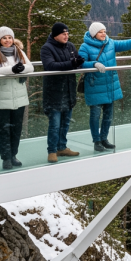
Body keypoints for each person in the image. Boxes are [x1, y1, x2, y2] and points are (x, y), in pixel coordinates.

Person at [79, 22, 131, 152]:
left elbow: (126, 44)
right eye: (100, 31)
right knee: (95, 115)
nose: (104, 34)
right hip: (94, 85)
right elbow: (80, 63)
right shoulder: (85, 46)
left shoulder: (110, 43)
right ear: (93, 34)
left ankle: (104, 139)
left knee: (108, 115)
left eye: (104, 31)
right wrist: (94, 64)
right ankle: (96, 141)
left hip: (110, 85)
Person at [0, 27, 34, 170]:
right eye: (4, 38)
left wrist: (19, 69)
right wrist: (13, 70)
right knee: (3, 129)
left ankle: (13, 155)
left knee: (16, 128)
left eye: (10, 37)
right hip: (1, 97)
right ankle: (6, 158)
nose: (8, 40)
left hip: (19, 96)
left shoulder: (19, 51)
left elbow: (30, 67)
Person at [41, 22, 84, 163]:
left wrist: (79, 62)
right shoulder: (46, 48)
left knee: (65, 123)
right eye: (63, 33)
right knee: (54, 124)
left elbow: (76, 62)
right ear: (55, 35)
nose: (66, 36)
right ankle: (52, 151)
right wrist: (72, 63)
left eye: (67, 33)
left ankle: (62, 147)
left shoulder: (70, 46)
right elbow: (50, 66)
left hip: (69, 89)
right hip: (54, 91)